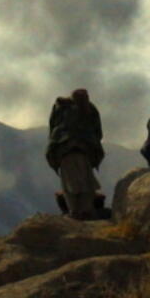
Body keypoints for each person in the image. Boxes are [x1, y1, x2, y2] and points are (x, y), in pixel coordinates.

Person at [45, 89, 104, 219]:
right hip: (81, 151)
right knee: (84, 184)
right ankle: (82, 211)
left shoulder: (61, 109)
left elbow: (52, 128)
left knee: (71, 184)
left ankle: (76, 211)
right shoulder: (88, 109)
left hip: (65, 150)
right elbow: (97, 131)